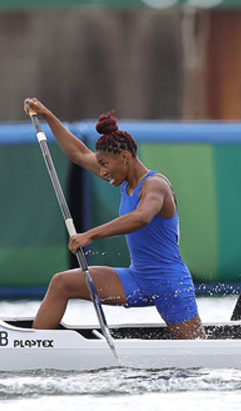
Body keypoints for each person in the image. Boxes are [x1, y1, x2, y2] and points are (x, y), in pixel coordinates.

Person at [23, 97, 206, 339]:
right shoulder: (123, 180)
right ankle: (35, 345)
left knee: (195, 353)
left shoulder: (155, 185)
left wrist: (90, 234)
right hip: (137, 279)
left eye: (105, 165)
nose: (103, 172)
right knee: (61, 283)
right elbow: (78, 153)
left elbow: (141, 217)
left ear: (124, 157)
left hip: (170, 285)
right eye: (100, 165)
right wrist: (47, 115)